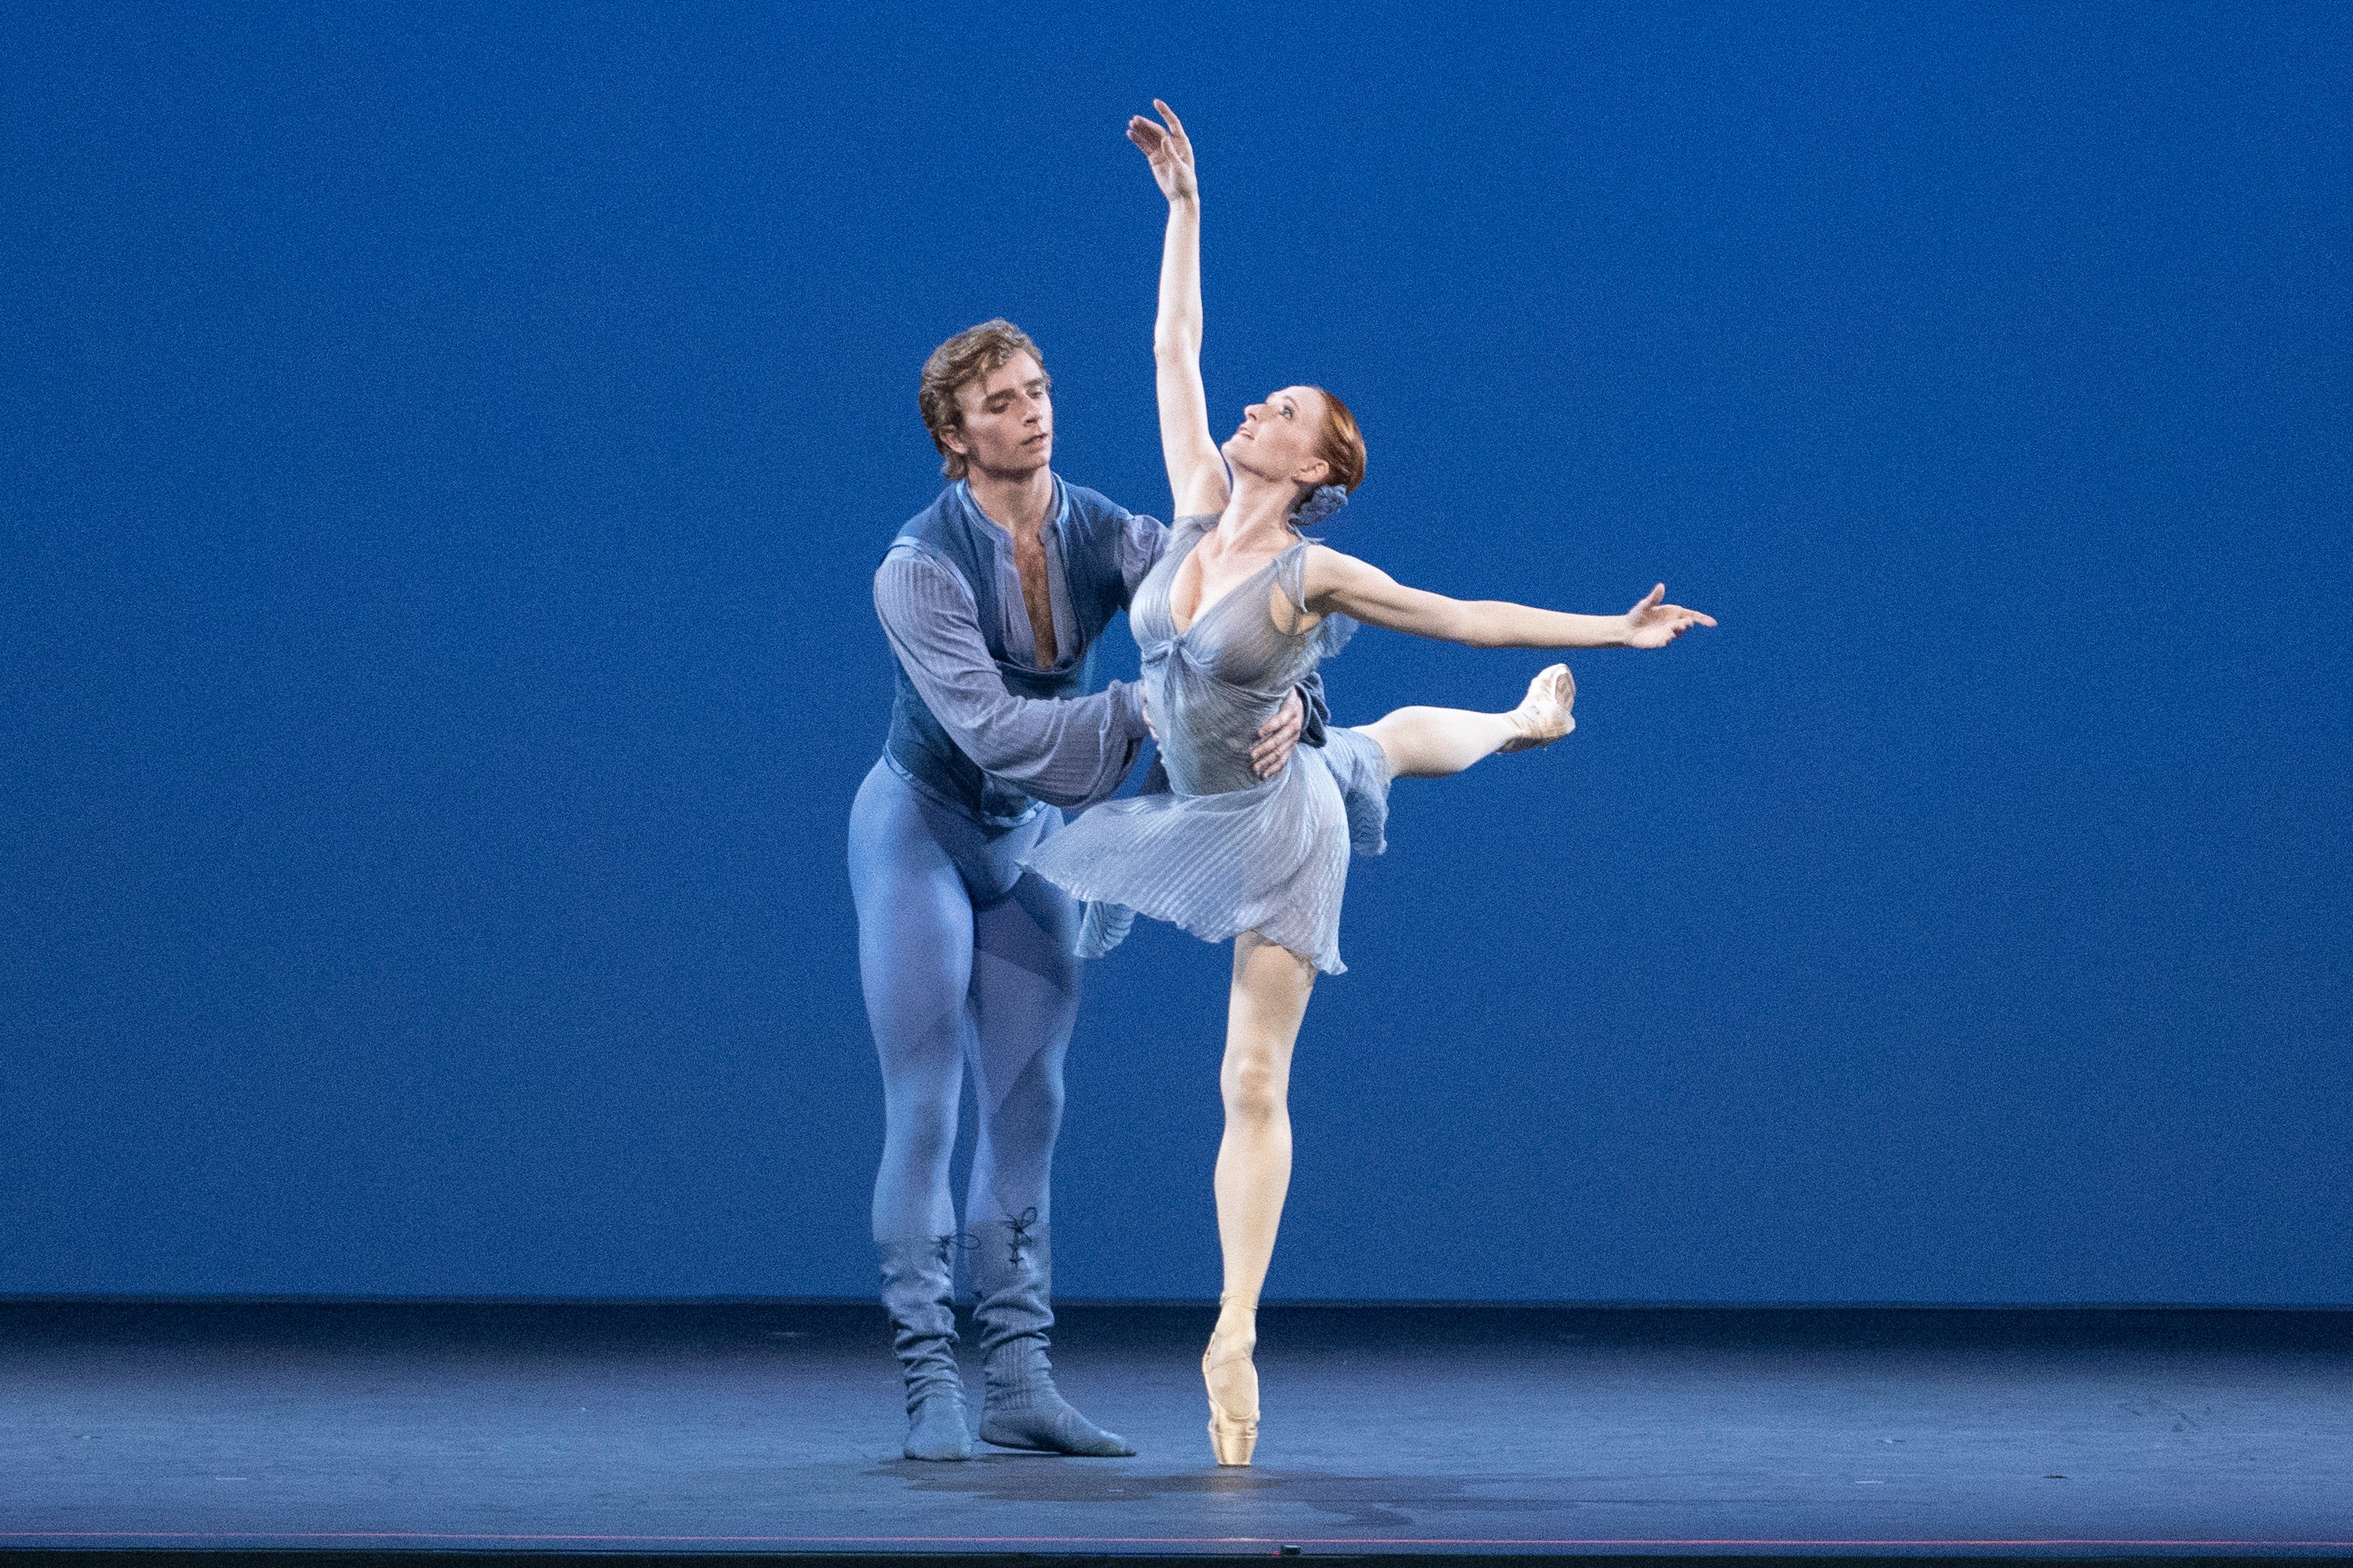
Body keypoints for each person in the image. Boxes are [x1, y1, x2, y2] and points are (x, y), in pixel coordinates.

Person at [1021, 102, 1716, 1468]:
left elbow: (1462, 614)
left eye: (1282, 411)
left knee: (1252, 1069)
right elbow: (1172, 346)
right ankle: (1521, 730)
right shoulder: (1193, 505)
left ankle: (1233, 1328)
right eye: (1263, 399)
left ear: (1319, 466)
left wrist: (1612, 632)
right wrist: (1186, 210)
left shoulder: (1314, 572)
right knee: (1374, 745)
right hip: (1202, 806)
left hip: (1277, 829)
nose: (1254, 408)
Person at [851, 318, 1319, 1461]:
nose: (1034, 413)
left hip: (1028, 845)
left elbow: (1234, 605)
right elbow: (994, 731)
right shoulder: (917, 568)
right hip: (920, 829)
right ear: (955, 438)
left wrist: (1295, 705)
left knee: (1030, 1105)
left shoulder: (1105, 529)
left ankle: (1018, 1381)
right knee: (927, 1106)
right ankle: (930, 1382)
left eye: (1039, 390)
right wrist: (1144, 708)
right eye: (1002, 403)